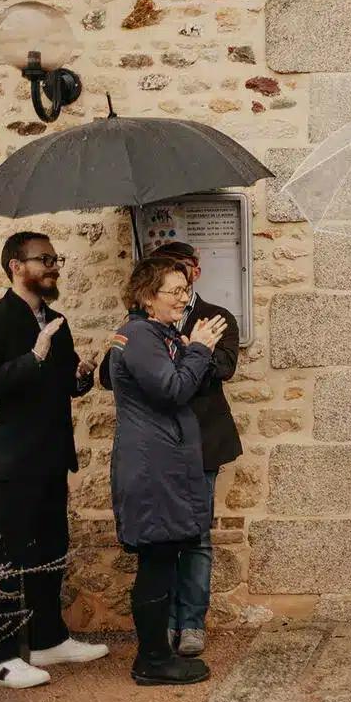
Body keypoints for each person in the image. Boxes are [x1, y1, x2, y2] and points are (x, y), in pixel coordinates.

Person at [0, 232, 108, 690]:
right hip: (11, 462)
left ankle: (49, 638)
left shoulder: (57, 319)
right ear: (16, 265)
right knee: (4, 559)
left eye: (56, 258)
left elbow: (64, 387)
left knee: (51, 553)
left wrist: (81, 376)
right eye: (45, 259)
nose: (54, 266)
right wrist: (33, 358)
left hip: (53, 457)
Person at [99, 242, 241, 657]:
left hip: (202, 443)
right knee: (162, 545)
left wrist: (188, 348)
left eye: (185, 280)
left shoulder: (216, 318)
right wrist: (180, 352)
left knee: (195, 538)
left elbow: (223, 369)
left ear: (196, 272)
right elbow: (123, 379)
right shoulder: (140, 328)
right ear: (151, 292)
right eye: (173, 286)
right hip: (160, 451)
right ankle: (158, 643)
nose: (182, 294)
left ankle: (191, 623)